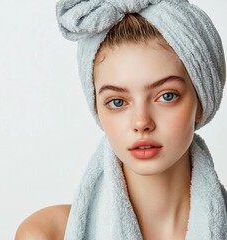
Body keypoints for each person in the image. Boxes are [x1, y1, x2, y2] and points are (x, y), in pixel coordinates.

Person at [15, 0, 227, 239]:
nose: (141, 122)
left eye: (166, 96)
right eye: (117, 102)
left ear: (201, 100)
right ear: (97, 108)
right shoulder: (48, 233)